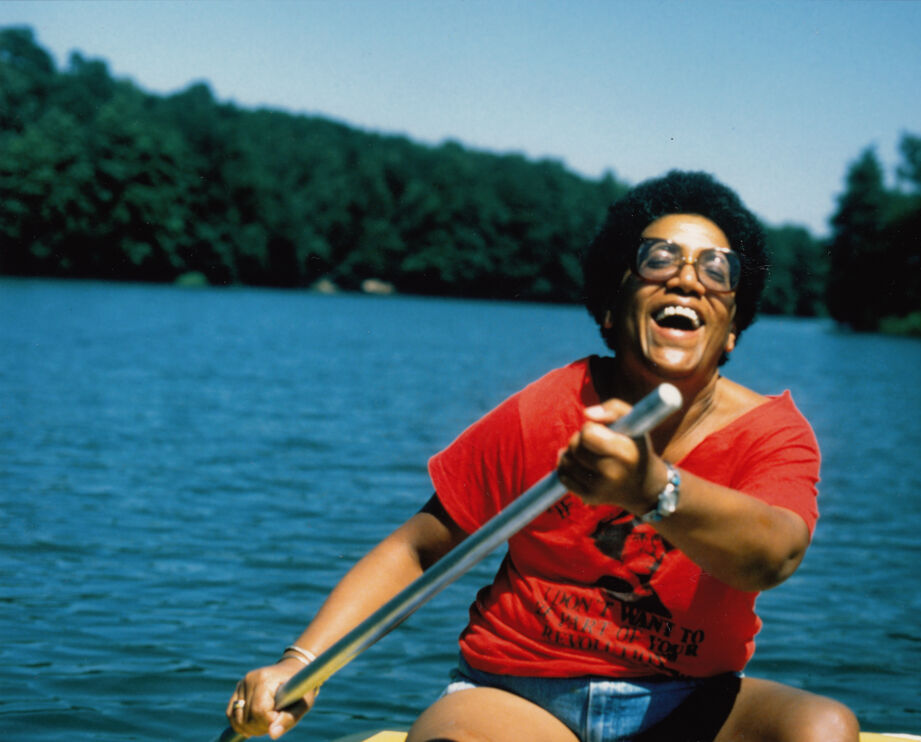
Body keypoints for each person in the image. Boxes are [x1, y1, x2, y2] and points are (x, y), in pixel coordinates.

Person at [226, 171, 860, 742]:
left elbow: (774, 553)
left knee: (824, 729)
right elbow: (416, 549)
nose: (687, 277)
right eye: (657, 259)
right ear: (610, 311)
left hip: (690, 703)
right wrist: (300, 664)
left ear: (730, 332)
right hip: (522, 700)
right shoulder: (546, 411)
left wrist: (653, 489)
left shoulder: (772, 432)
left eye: (716, 269)